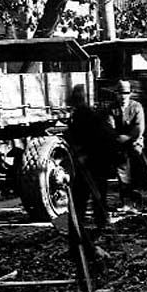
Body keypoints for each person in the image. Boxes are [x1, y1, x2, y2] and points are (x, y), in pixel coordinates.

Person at [63, 84, 115, 228]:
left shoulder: (84, 116)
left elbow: (94, 139)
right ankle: (96, 224)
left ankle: (90, 225)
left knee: (86, 195)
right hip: (95, 161)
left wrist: (84, 154)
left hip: (94, 161)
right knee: (95, 195)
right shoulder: (86, 115)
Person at [111, 80, 146, 207]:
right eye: (120, 93)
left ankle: (137, 199)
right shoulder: (112, 108)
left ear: (130, 94)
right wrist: (117, 138)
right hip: (119, 144)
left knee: (136, 167)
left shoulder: (136, 107)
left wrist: (127, 138)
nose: (123, 96)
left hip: (134, 142)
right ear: (116, 94)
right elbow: (109, 127)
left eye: (125, 93)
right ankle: (126, 201)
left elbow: (139, 128)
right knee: (122, 169)